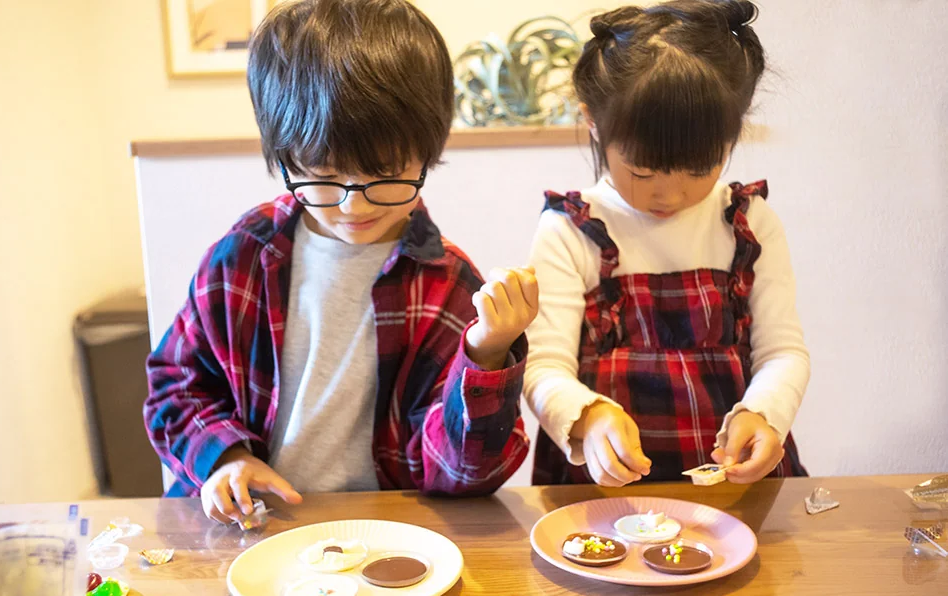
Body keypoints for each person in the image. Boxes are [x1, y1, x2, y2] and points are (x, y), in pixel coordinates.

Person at [144, 0, 538, 523]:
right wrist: (227, 458)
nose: (354, 205)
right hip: (252, 524)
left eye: (386, 173)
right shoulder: (244, 256)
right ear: (284, 155)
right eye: (322, 174)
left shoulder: (447, 283)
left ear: (429, 149)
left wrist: (485, 356)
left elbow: (462, 478)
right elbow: (176, 383)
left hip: (386, 532)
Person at [525, 0, 809, 487]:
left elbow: (782, 351)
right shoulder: (571, 232)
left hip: (733, 484)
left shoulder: (748, 224)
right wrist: (588, 418)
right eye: (642, 172)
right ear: (593, 121)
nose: (671, 194)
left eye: (700, 169)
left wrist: (764, 414)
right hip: (603, 486)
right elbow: (544, 365)